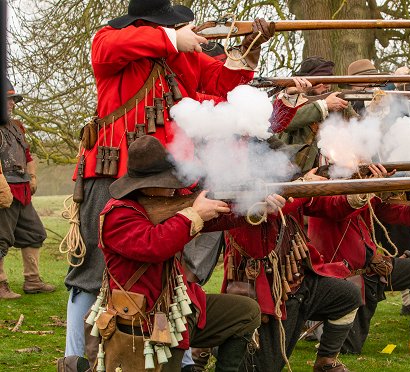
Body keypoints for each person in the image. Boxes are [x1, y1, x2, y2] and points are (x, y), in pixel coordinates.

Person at [64, 0, 274, 358]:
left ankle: (182, 355)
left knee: (171, 267)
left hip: (173, 179)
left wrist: (250, 49)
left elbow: (224, 83)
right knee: (91, 275)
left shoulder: (183, 55)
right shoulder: (113, 41)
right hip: (112, 174)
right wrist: (173, 38)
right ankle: (76, 359)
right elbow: (107, 48)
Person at [97, 135, 275, 370]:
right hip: (145, 321)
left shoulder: (168, 205)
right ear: (147, 185)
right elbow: (155, 245)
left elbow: (216, 217)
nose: (172, 189)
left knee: (247, 312)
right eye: (166, 183)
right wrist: (194, 215)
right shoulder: (117, 215)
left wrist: (257, 205)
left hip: (181, 307)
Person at [224, 169, 364, 372]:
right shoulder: (240, 184)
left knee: (348, 295)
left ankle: (326, 363)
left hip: (297, 282)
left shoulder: (291, 186)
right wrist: (302, 186)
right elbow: (267, 213)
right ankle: (211, 352)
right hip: (264, 289)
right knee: (263, 367)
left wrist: (357, 190)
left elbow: (329, 207)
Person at [307, 164, 410, 357]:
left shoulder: (364, 190)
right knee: (348, 349)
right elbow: (340, 209)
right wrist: (368, 186)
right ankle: (315, 324)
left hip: (371, 269)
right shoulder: (324, 193)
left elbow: (403, 215)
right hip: (343, 277)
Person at [0, 78, 54, 300]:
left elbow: (28, 155)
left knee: (34, 233)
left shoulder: (17, 127)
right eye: (8, 99)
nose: (12, 104)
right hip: (4, 191)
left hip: (22, 190)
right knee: (1, 238)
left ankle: (32, 280)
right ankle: (1, 284)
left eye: (13, 100)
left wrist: (32, 176)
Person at [276, 57, 356, 171]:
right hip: (301, 172)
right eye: (320, 81)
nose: (327, 85)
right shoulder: (288, 99)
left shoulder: (337, 100)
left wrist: (375, 109)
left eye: (329, 80)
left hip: (336, 172)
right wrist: (323, 106)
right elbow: (285, 122)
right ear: (306, 82)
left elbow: (360, 127)